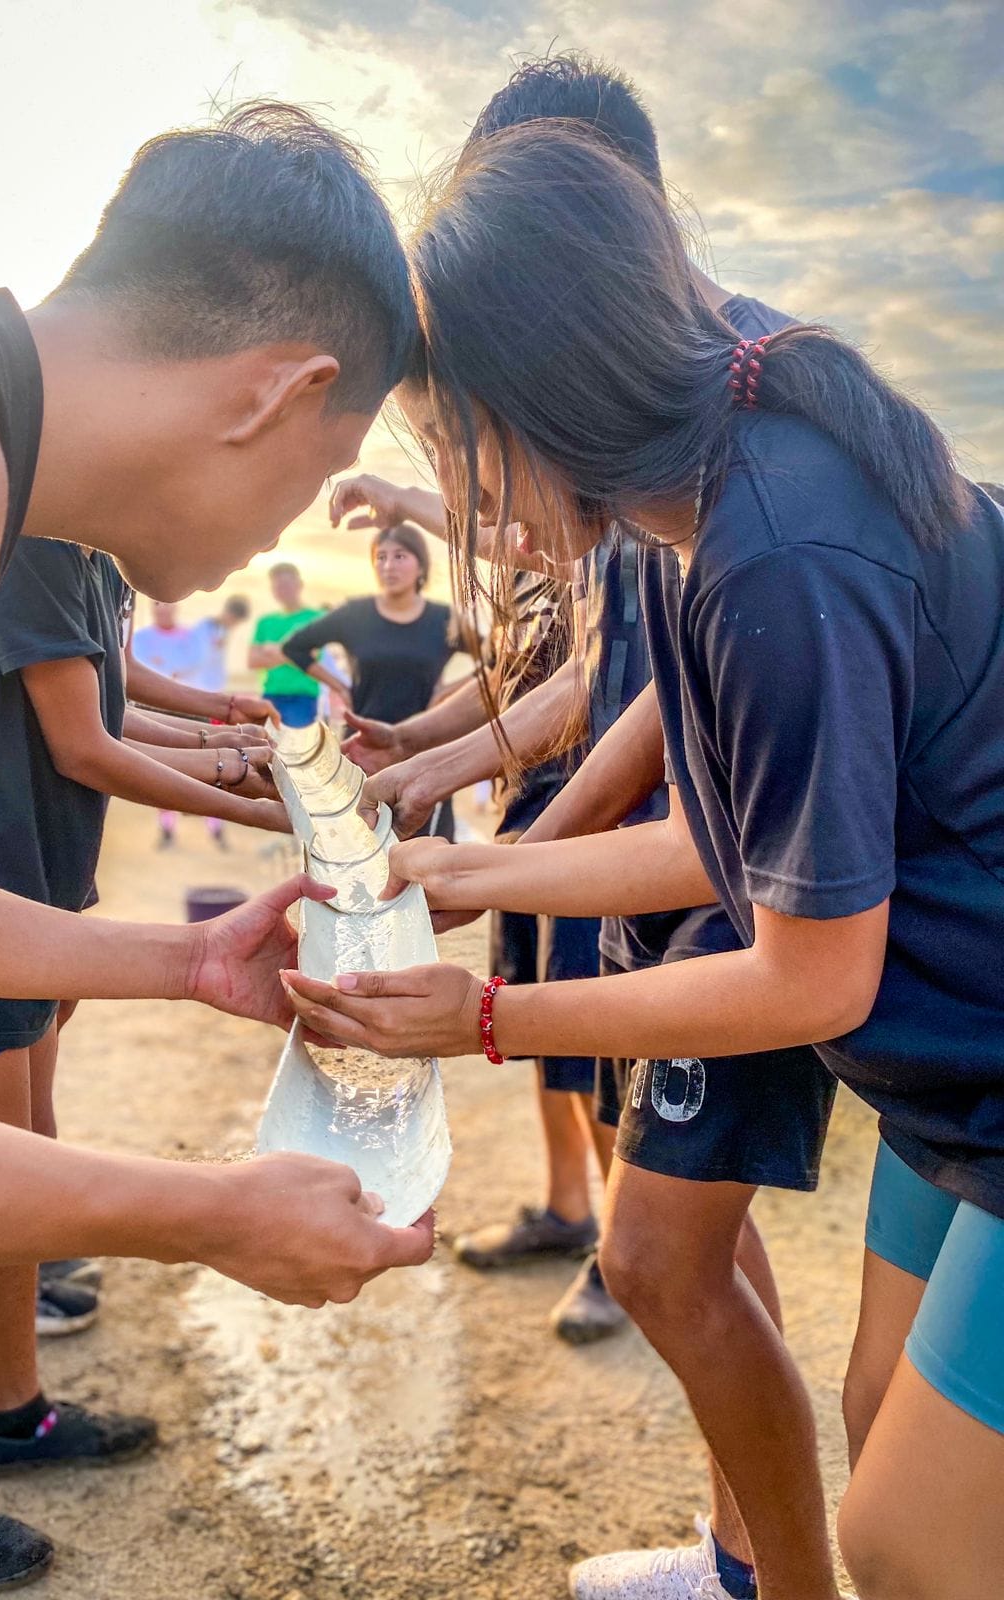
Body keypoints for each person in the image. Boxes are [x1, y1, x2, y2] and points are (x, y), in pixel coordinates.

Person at [282, 107, 1004, 1600]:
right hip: (953, 1077)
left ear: (542, 397)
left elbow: (809, 975)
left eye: (451, 449)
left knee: (907, 1540)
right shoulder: (690, 524)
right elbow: (716, 845)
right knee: (885, 1421)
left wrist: (487, 1018)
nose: (456, 499)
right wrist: (460, 872)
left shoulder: (775, 553)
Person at [0, 99, 435, 1586]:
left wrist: (189, 958)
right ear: (284, 391)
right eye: (317, 478)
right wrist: (207, 1214)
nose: (288, 529)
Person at [326, 57, 838, 1600]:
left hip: (813, 953)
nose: (478, 497)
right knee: (675, 1252)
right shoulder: (671, 456)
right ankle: (743, 1557)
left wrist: (485, 964)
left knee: (670, 1259)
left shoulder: (749, 490)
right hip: (725, 892)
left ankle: (771, 1570)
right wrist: (461, 834)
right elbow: (654, 717)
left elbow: (687, 791)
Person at [330, 474, 621, 1340]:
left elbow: (584, 683)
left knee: (590, 1043)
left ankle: (622, 1248)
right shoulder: (530, 571)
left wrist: (402, 499)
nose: (499, 529)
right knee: (537, 1037)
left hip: (592, 828)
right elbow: (507, 675)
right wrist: (413, 738)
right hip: (525, 819)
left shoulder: (602, 544)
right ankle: (568, 1209)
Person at [280, 523, 458, 838]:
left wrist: (447, 693)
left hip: (425, 751)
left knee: (428, 849)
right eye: (381, 557)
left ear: (421, 566)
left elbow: (495, 660)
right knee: (361, 844)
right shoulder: (356, 615)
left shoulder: (443, 619)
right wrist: (339, 686)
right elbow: (295, 647)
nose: (388, 566)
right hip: (363, 748)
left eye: (399, 556)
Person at [131, 594, 255, 847]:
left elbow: (199, 666)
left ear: (176, 605)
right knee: (164, 769)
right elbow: (141, 676)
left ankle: (216, 825)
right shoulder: (140, 639)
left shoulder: (192, 636)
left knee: (212, 767)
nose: (163, 608)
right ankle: (167, 828)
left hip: (193, 707)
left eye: (167, 602)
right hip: (160, 712)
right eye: (158, 603)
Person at [248, 561, 326, 727]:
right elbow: (253, 661)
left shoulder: (316, 618)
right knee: (264, 741)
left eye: (286, 585)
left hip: (303, 698)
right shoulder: (265, 621)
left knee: (296, 743)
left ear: (299, 585)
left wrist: (272, 650)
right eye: (277, 587)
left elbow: (312, 655)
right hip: (270, 695)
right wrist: (294, 652)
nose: (281, 590)